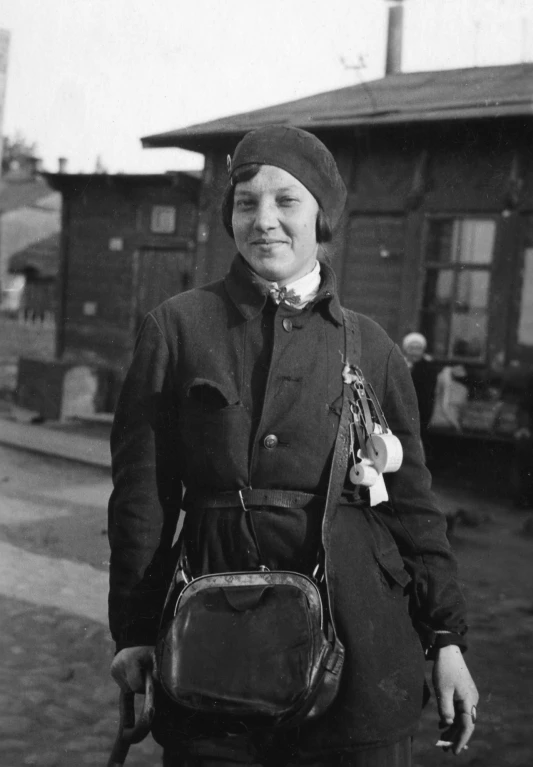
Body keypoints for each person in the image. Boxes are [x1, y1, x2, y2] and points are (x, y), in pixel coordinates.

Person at [108, 125, 478, 766]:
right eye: (246, 202)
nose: (264, 221)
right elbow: (143, 499)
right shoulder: (177, 329)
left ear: (322, 217)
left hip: (359, 653)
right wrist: (136, 632)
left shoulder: (372, 349)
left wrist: (446, 638)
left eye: (287, 201)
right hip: (215, 646)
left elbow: (413, 508)